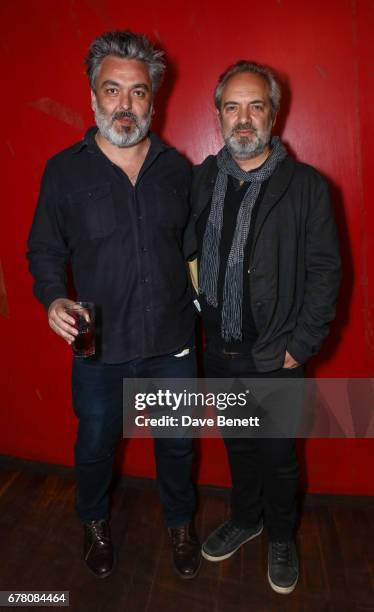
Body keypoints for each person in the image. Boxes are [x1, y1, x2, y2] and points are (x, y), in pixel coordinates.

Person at [27, 30, 201, 580]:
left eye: (138, 93)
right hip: (96, 342)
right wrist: (53, 295)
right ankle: (93, 522)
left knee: (176, 444)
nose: (125, 106)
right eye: (113, 91)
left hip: (171, 342)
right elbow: (44, 249)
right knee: (97, 444)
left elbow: (195, 253)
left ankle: (180, 523)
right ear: (93, 96)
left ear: (154, 98)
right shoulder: (63, 171)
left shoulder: (178, 169)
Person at [188, 60, 341, 594]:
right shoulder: (204, 178)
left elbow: (326, 273)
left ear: (274, 115)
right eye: (233, 106)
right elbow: (183, 247)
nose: (244, 118)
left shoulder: (306, 186)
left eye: (256, 106)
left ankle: (280, 535)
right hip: (221, 350)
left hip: (277, 354)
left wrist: (301, 347)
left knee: (278, 457)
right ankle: (246, 518)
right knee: (240, 446)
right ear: (219, 114)